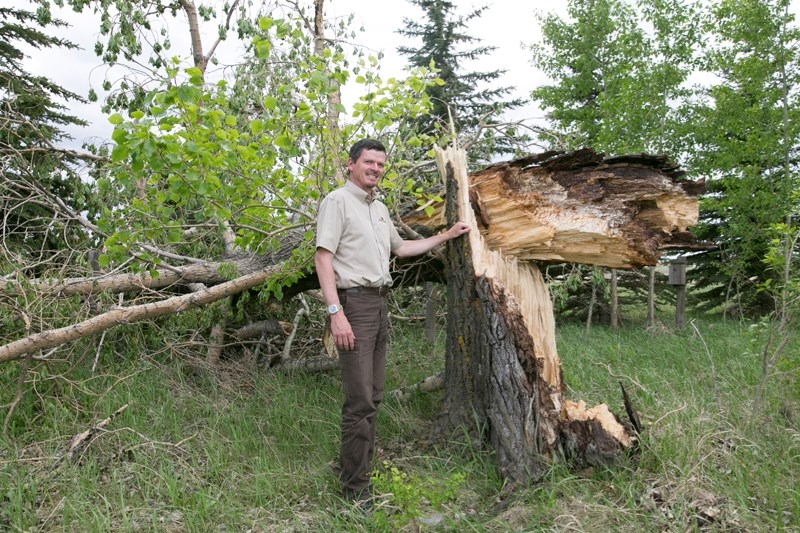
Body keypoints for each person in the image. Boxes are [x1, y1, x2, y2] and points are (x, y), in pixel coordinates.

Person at [315, 138, 470, 502]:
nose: (376, 169)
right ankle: (355, 492)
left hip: (381, 305)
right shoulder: (337, 201)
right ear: (351, 164)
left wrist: (445, 236)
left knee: (375, 395)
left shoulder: (379, 207)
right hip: (354, 306)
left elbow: (401, 249)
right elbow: (323, 258)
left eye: (381, 165)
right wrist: (335, 313)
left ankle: (357, 468)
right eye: (369, 162)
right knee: (360, 401)